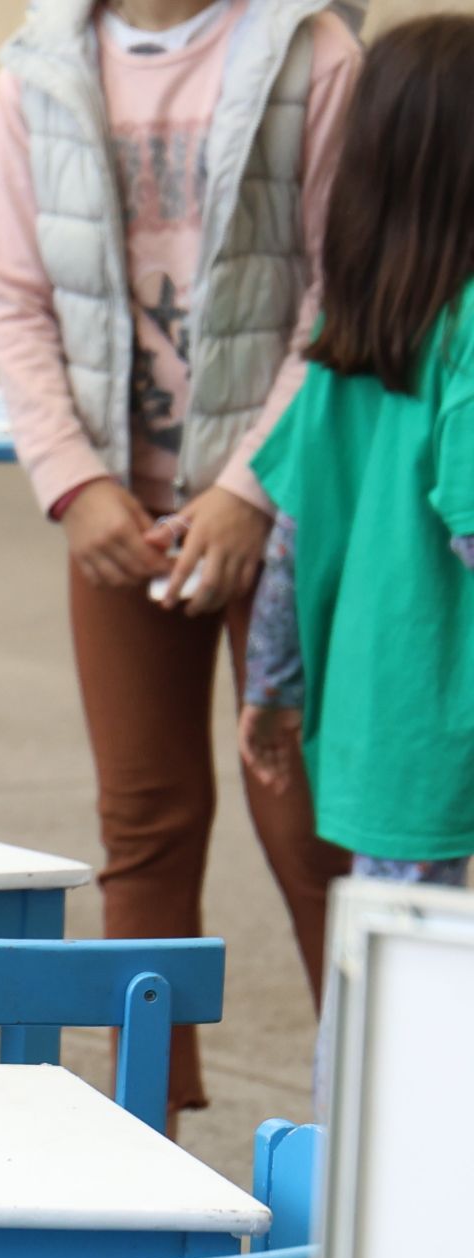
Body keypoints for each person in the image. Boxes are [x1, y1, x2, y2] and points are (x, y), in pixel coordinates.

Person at [0, 0, 362, 1125]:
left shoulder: (312, 52)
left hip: (281, 512)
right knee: (142, 821)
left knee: (312, 825)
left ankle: (388, 1117)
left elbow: (339, 297)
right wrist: (75, 479)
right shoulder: (38, 66)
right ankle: (148, 1124)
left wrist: (253, 488)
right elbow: (14, 298)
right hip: (118, 514)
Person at [237, 13, 474, 895]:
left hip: (383, 741)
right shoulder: (470, 327)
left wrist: (270, 687)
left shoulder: (351, 334)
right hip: (454, 752)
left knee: (385, 1008)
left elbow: (292, 538)